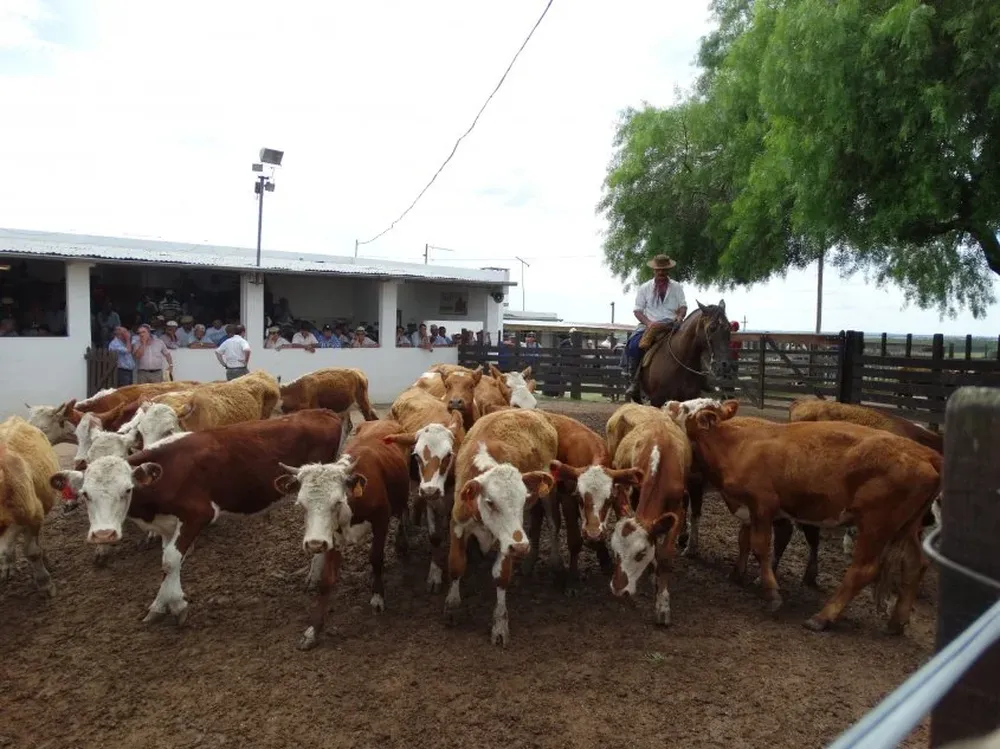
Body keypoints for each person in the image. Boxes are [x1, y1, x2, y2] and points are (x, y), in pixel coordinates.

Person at [623, 254, 687, 402]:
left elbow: (683, 305)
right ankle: (635, 382)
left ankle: (701, 378)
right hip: (650, 324)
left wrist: (680, 316)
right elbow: (637, 311)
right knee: (633, 346)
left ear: (668, 270)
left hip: (672, 324)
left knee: (692, 342)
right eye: (659, 270)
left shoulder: (676, 287)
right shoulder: (644, 288)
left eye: (664, 270)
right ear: (654, 270)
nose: (661, 273)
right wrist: (648, 323)